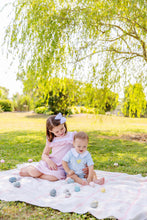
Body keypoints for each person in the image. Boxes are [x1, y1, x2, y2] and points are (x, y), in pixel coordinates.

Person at [19, 113, 88, 181]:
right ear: (51, 131)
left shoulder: (72, 136)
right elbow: (44, 154)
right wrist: (49, 161)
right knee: (34, 173)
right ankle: (29, 169)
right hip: (52, 163)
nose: (61, 132)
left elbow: (81, 150)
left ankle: (37, 176)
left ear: (64, 124)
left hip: (63, 167)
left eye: (62, 128)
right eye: (57, 131)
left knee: (54, 178)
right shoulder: (51, 140)